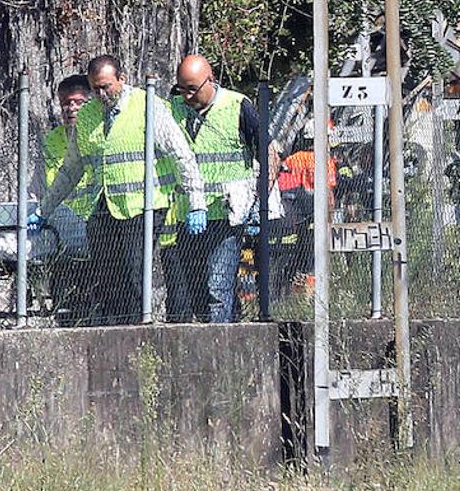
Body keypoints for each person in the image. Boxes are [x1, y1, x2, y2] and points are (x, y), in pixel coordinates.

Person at [30, 54, 207, 325]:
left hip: (141, 206)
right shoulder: (88, 115)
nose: (101, 94)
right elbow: (72, 168)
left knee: (134, 274)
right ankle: (113, 329)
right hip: (103, 207)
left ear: (121, 79)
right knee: (107, 277)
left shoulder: (147, 106)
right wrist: (44, 210)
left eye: (106, 86)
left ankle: (137, 330)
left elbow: (180, 154)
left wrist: (196, 201)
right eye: (95, 88)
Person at [164, 55, 278, 323]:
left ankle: (219, 345)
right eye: (182, 88)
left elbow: (269, 153)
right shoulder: (173, 108)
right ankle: (225, 330)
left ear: (210, 79)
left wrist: (258, 205)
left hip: (227, 216)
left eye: (192, 88)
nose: (187, 95)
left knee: (217, 286)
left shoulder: (237, 106)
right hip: (189, 216)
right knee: (197, 291)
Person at [41, 74, 94, 324]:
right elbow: (48, 183)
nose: (71, 108)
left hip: (95, 222)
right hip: (63, 229)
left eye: (78, 102)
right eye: (66, 103)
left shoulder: (96, 133)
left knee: (93, 295)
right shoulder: (53, 139)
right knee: (65, 302)